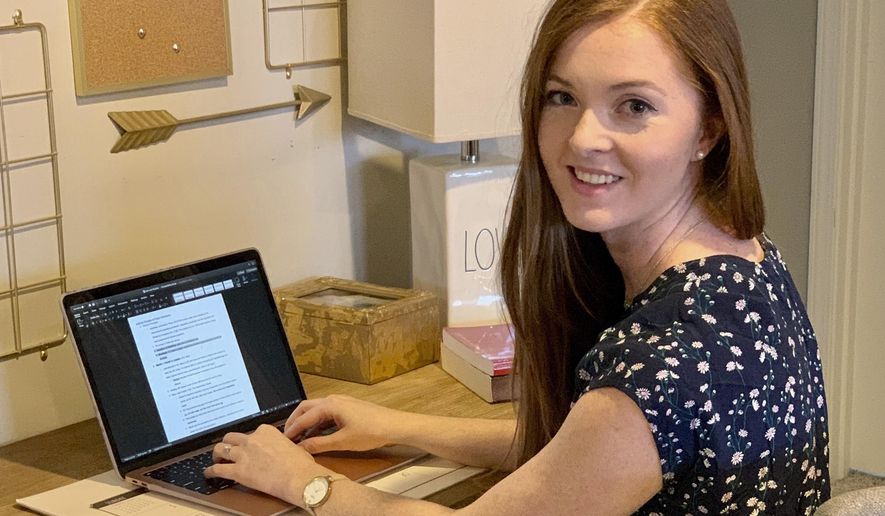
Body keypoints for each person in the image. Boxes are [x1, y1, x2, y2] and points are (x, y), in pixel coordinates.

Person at [204, 0, 831, 513]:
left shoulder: (659, 366)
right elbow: (581, 452)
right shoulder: (746, 262)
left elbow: (606, 439)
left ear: (709, 130)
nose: (584, 137)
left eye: (634, 106)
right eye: (562, 97)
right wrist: (399, 426)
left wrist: (302, 484)